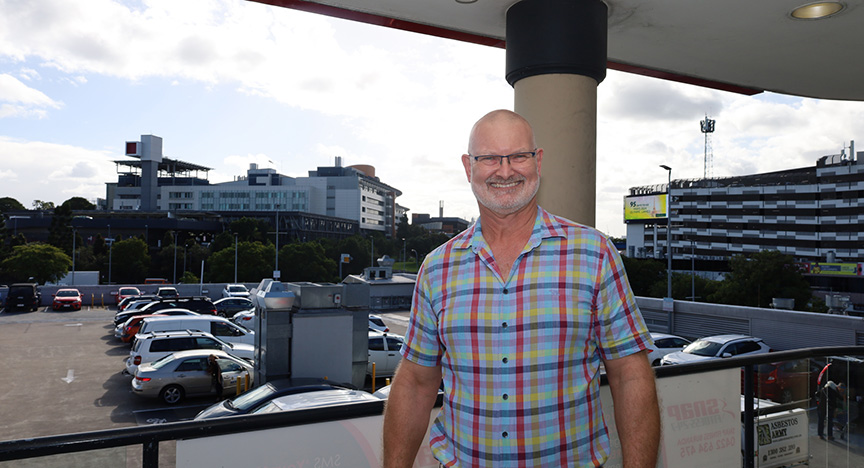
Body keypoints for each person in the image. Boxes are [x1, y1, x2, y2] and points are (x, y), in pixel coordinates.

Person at [382, 110, 660, 467]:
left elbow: (629, 375)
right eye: (489, 158)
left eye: (518, 156)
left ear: (538, 161)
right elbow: (416, 383)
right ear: (469, 167)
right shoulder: (437, 269)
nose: (505, 170)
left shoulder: (595, 254)